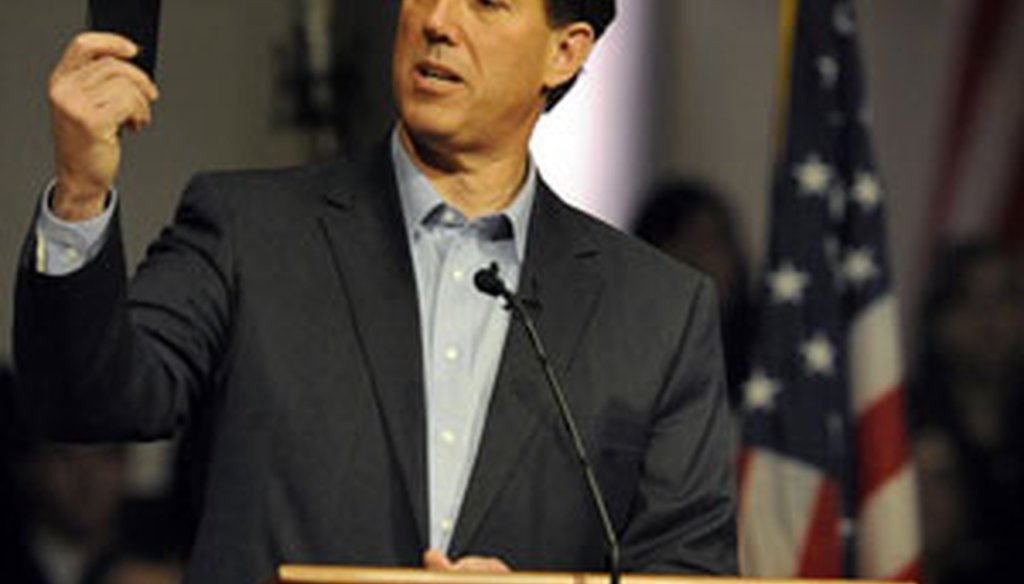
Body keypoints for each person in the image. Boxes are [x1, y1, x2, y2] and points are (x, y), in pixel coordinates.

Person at [14, 1, 737, 582]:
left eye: (486, 4)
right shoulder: (248, 231)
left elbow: (687, 571)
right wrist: (80, 192)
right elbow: (89, 399)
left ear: (566, 50)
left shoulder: (660, 313)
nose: (436, 21)